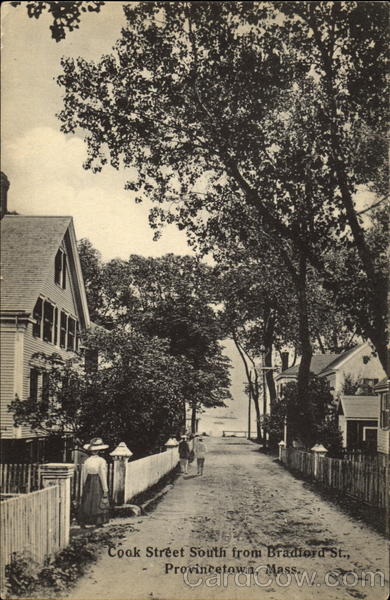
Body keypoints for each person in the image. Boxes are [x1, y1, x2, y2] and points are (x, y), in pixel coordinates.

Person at [78, 437, 110, 528]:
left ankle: (83, 522)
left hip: (88, 481)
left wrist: (83, 486)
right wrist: (105, 489)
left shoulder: (87, 461)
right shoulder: (101, 461)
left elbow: (83, 475)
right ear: (99, 450)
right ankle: (98, 522)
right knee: (97, 500)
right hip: (97, 481)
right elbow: (103, 475)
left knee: (87, 500)